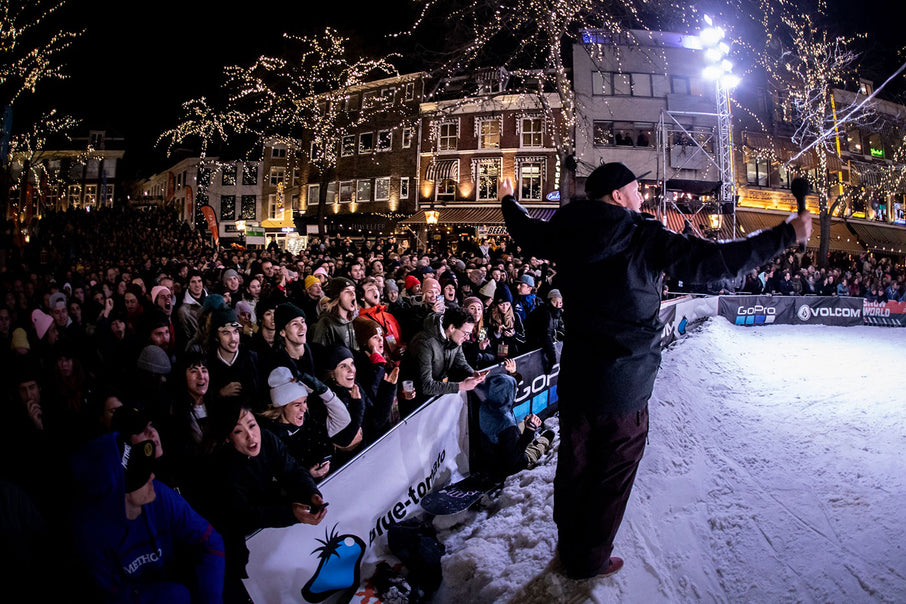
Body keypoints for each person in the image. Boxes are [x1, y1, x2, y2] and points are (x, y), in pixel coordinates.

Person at [501, 162, 811, 579]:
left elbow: (525, 230)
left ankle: (570, 543)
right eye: (635, 190)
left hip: (577, 379)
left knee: (575, 465)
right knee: (611, 474)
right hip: (625, 386)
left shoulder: (566, 228)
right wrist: (785, 234)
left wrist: (508, 199)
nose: (640, 198)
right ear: (617, 195)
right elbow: (714, 261)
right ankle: (588, 559)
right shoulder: (642, 235)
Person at [72, 433, 225, 603]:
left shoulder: (159, 494)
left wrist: (210, 597)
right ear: (114, 495)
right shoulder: (90, 535)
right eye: (139, 476)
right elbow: (111, 595)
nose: (151, 476)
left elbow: (210, 541)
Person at [259, 366, 351, 481]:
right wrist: (307, 476)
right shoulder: (272, 438)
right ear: (282, 407)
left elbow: (343, 420)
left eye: (304, 402)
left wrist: (323, 390)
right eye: (297, 405)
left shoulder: (312, 422)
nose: (303, 409)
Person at [476, 359, 554, 480]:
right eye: (514, 389)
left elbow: (503, 392)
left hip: (495, 451)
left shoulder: (488, 405)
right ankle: (542, 440)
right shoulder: (507, 424)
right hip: (513, 464)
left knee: (521, 424)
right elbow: (513, 460)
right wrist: (530, 430)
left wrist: (513, 374)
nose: (517, 390)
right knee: (549, 434)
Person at [402, 306, 486, 417]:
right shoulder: (424, 343)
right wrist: (461, 386)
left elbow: (461, 363)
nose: (467, 338)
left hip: (436, 397)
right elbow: (426, 386)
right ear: (451, 327)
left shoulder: (455, 338)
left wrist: (473, 373)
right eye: (465, 333)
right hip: (416, 404)